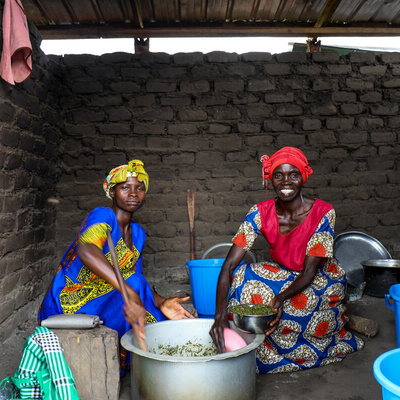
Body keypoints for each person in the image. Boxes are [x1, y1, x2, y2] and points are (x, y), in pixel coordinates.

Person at [210, 147, 364, 374]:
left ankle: (299, 350)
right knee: (242, 277)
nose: (286, 181)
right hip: (282, 272)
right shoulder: (260, 212)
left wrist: (280, 298)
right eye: (278, 175)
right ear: (270, 179)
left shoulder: (323, 212)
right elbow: (230, 265)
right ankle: (247, 346)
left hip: (319, 278)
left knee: (300, 307)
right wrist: (219, 317)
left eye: (293, 174)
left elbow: (309, 272)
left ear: (303, 177)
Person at [38, 159, 193, 373]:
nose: (133, 193)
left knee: (157, 318)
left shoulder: (137, 233)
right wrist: (129, 291)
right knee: (134, 289)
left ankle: (142, 365)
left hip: (108, 295)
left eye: (140, 188)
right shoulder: (103, 215)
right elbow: (87, 251)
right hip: (73, 299)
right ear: (112, 192)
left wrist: (162, 301)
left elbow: (136, 281)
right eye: (125, 187)